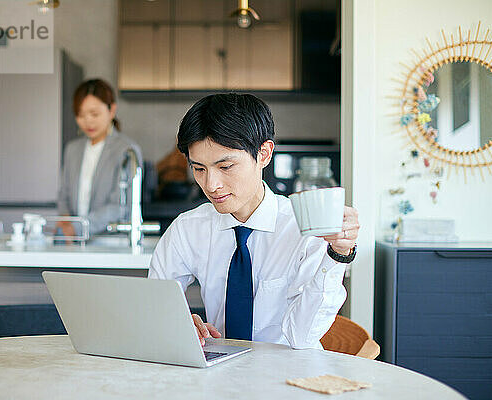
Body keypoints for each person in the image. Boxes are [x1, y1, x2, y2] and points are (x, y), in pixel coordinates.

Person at [148, 93, 359, 349]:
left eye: (225, 167)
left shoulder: (304, 226)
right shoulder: (188, 228)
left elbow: (302, 336)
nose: (211, 185)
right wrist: (177, 321)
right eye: (199, 169)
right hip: (220, 374)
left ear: (264, 154)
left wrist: (338, 255)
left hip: (289, 374)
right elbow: (155, 309)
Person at [57, 79, 142, 236]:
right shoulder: (72, 149)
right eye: (80, 115)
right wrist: (66, 224)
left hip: (110, 241)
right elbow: (64, 196)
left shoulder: (126, 150)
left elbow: (120, 206)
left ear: (111, 110)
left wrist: (77, 228)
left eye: (94, 114)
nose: (87, 121)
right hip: (75, 242)